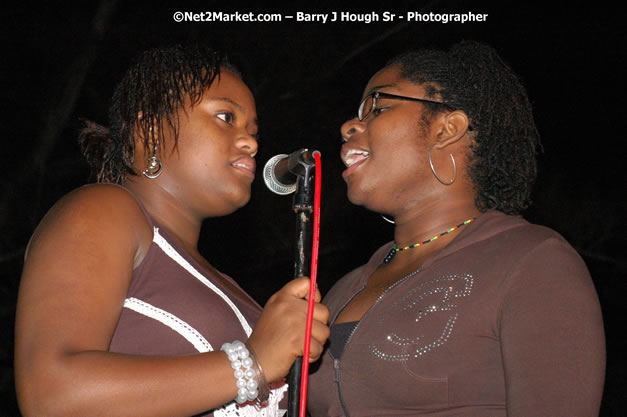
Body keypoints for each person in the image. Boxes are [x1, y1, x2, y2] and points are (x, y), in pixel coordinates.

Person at [14, 44, 329, 417]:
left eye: (253, 130)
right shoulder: (103, 211)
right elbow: (51, 395)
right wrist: (252, 365)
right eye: (226, 117)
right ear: (149, 132)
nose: (250, 141)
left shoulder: (232, 289)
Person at [307, 40, 605, 416]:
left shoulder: (532, 261)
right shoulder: (339, 292)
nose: (350, 125)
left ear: (448, 128)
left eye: (378, 107)